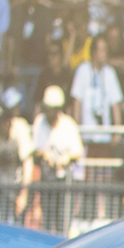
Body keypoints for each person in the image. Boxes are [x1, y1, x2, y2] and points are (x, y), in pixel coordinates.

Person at [33, 84, 84, 233]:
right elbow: (34, 150)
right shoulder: (39, 122)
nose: (47, 111)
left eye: (51, 108)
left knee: (63, 222)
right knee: (47, 221)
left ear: (57, 109)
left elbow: (78, 151)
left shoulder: (68, 125)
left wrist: (66, 158)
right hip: (47, 179)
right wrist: (44, 154)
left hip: (65, 181)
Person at [0, 88, 34, 223]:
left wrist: (23, 194)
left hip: (17, 187)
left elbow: (28, 162)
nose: (4, 125)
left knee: (18, 225)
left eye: (6, 120)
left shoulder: (20, 129)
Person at [70, 36, 124, 126]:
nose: (105, 53)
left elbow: (116, 104)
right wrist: (76, 129)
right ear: (94, 53)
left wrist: (117, 132)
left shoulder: (110, 73)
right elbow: (77, 102)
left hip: (105, 133)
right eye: (102, 50)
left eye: (106, 50)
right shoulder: (82, 70)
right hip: (86, 132)